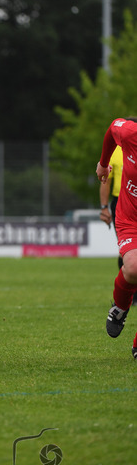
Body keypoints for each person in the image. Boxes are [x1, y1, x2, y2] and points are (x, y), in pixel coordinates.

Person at [96, 117, 137, 361]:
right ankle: (120, 307)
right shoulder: (131, 134)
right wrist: (103, 164)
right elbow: (113, 128)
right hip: (130, 217)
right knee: (132, 268)